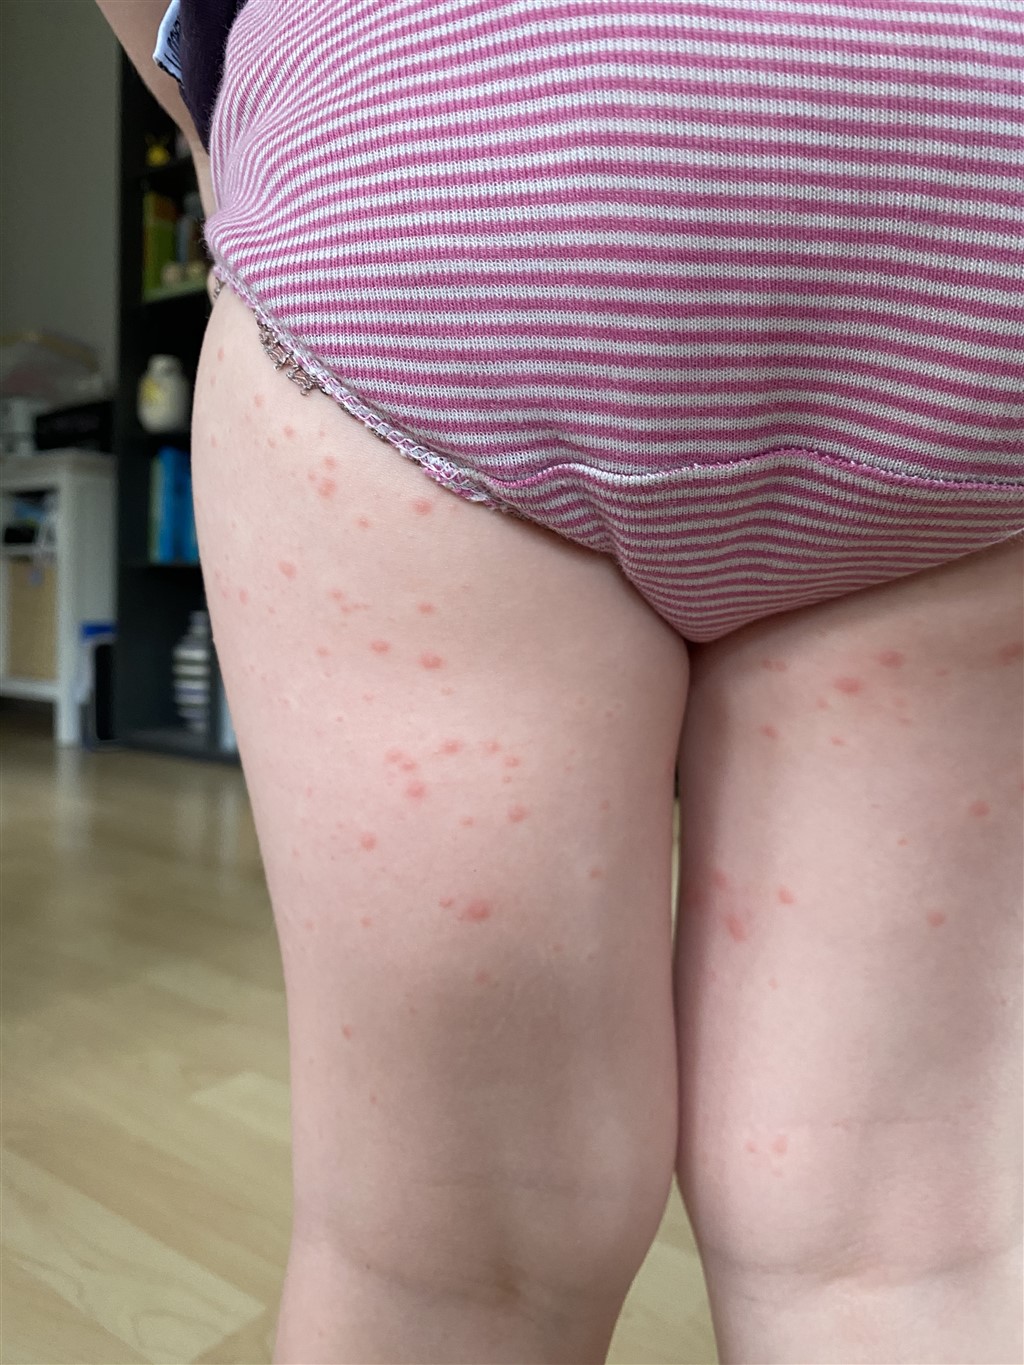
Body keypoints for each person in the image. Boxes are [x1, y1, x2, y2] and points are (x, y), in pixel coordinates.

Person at [97, 3, 1024, 1361]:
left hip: (448, 145)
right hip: (974, 159)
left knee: (446, 1261)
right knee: (903, 1250)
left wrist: (229, 124)